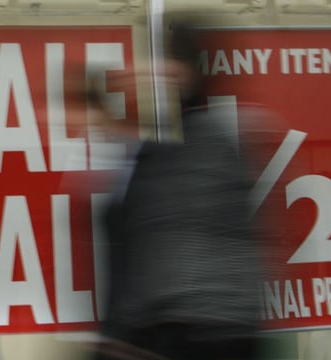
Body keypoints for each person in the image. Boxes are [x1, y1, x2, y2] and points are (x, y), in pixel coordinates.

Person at [91, 16, 265, 360]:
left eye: (162, 67)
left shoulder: (177, 148)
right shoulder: (226, 138)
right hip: (227, 326)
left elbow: (158, 241)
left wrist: (120, 331)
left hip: (188, 329)